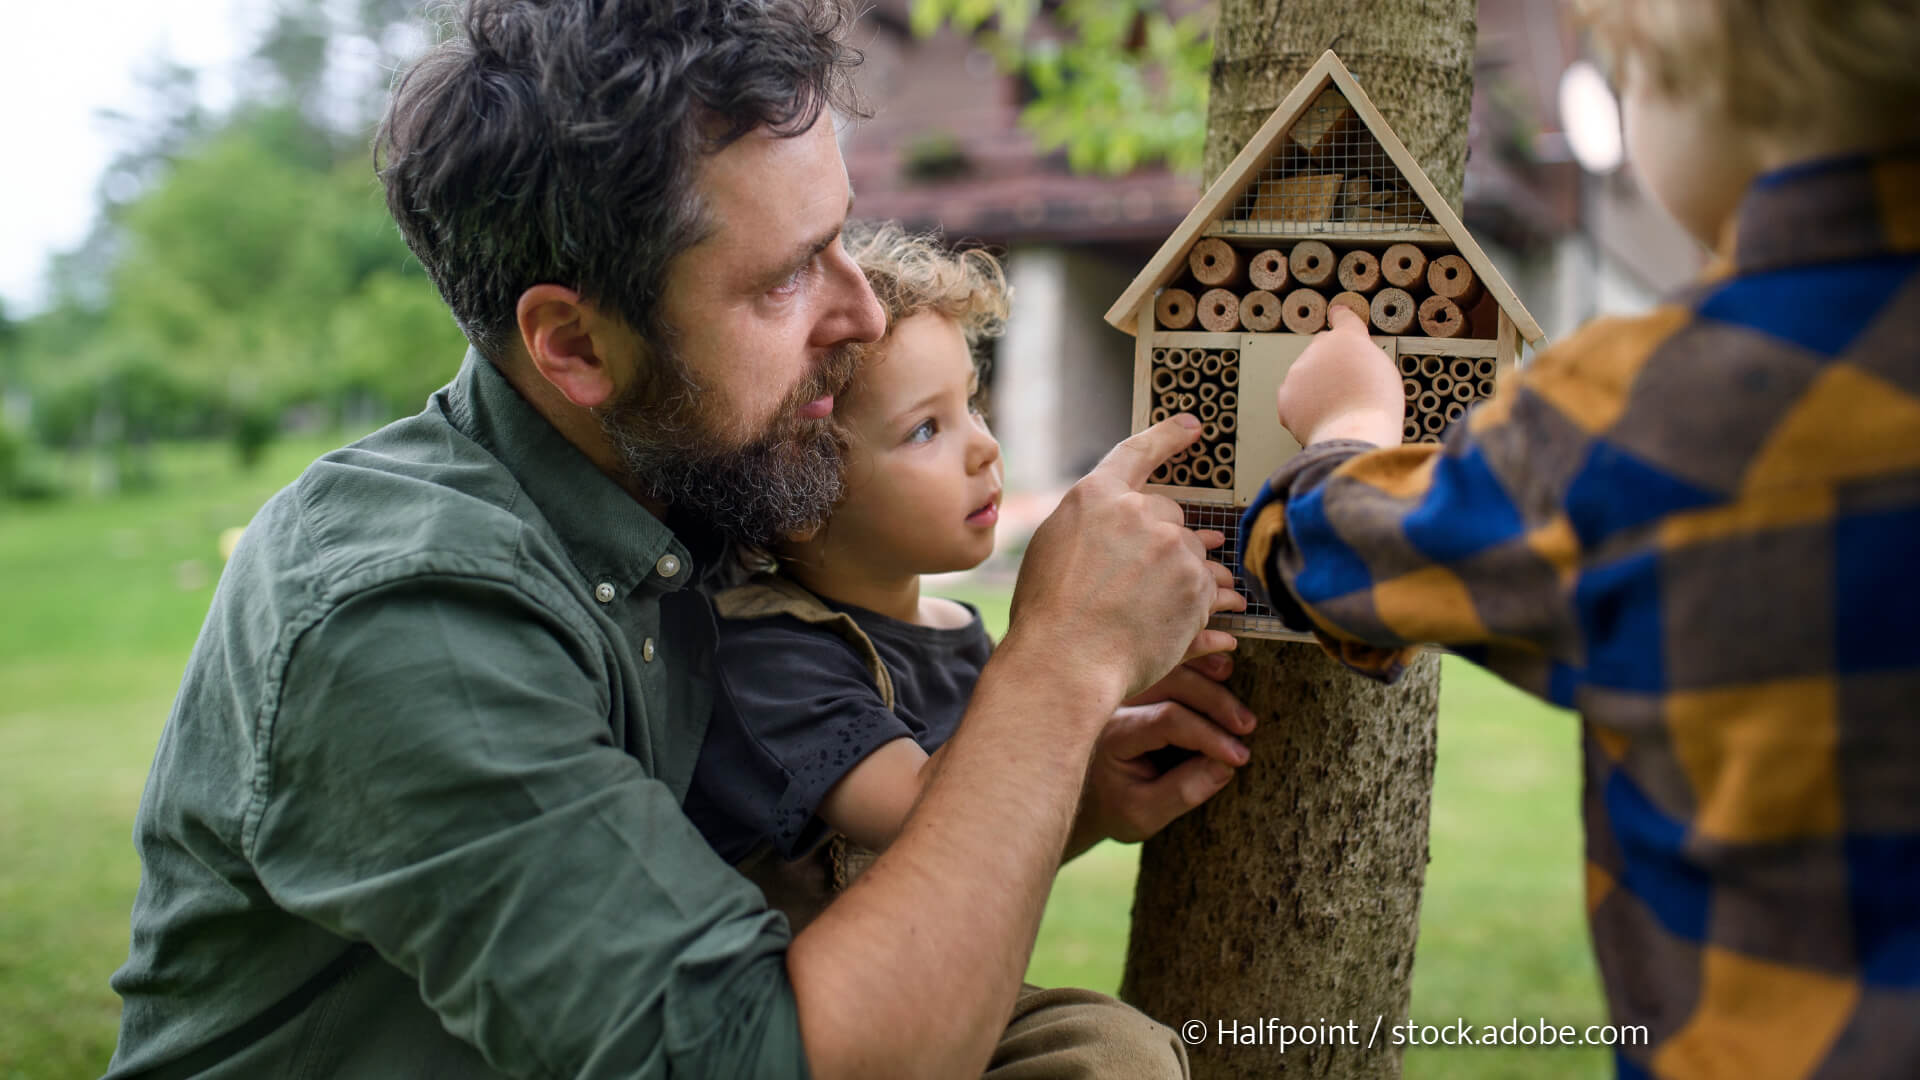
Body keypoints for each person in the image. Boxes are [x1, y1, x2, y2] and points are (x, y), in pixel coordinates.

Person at [100, 2, 1256, 1078]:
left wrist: (1067, 789)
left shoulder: (700, 487)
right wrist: (1057, 668)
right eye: (787, 277)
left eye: (840, 240)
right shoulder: (405, 615)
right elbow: (775, 1058)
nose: (858, 314)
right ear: (577, 347)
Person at [1238, 2, 1920, 1077]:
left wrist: (1349, 429)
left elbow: (1331, 557)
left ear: (1714, 92)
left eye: (1628, 82)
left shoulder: (1635, 413)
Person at [680, 224, 1250, 1074]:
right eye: (926, 431)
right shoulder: (768, 654)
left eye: (974, 402)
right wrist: (1070, 643)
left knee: (1111, 1051)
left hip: (948, 996)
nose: (985, 445)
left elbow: (996, 841)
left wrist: (1095, 793)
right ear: (802, 501)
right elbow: (926, 816)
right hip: (817, 1033)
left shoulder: (955, 632)